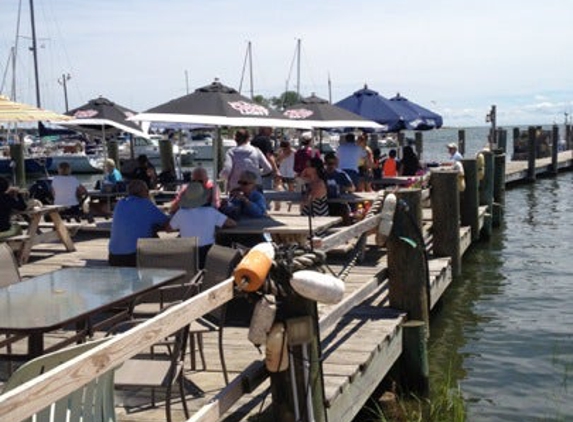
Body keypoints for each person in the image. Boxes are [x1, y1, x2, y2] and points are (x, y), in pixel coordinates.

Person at [167, 182, 236, 268]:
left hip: (187, 253)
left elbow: (168, 229)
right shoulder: (210, 212)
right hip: (208, 253)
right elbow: (232, 223)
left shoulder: (181, 213)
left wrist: (184, 226)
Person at [108, 179, 169, 267]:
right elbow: (166, 222)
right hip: (134, 257)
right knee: (154, 238)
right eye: (147, 191)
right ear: (143, 192)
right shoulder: (146, 204)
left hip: (114, 257)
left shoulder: (120, 203)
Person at [323, 152, 355, 224]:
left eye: (333, 163)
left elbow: (352, 188)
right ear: (325, 163)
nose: (331, 166)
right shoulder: (322, 174)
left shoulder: (341, 174)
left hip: (340, 203)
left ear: (336, 163)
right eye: (329, 163)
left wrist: (342, 188)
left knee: (344, 212)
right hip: (325, 203)